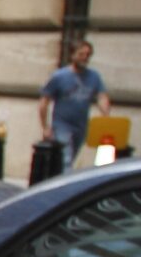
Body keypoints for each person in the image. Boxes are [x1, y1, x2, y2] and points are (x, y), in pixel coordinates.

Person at [40, 37, 110, 165]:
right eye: (81, 54)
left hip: (81, 126)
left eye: (88, 55)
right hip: (61, 125)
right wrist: (45, 127)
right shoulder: (59, 76)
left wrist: (106, 115)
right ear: (72, 55)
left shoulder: (94, 77)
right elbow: (44, 101)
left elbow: (102, 97)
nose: (85, 58)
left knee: (71, 157)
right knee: (66, 159)